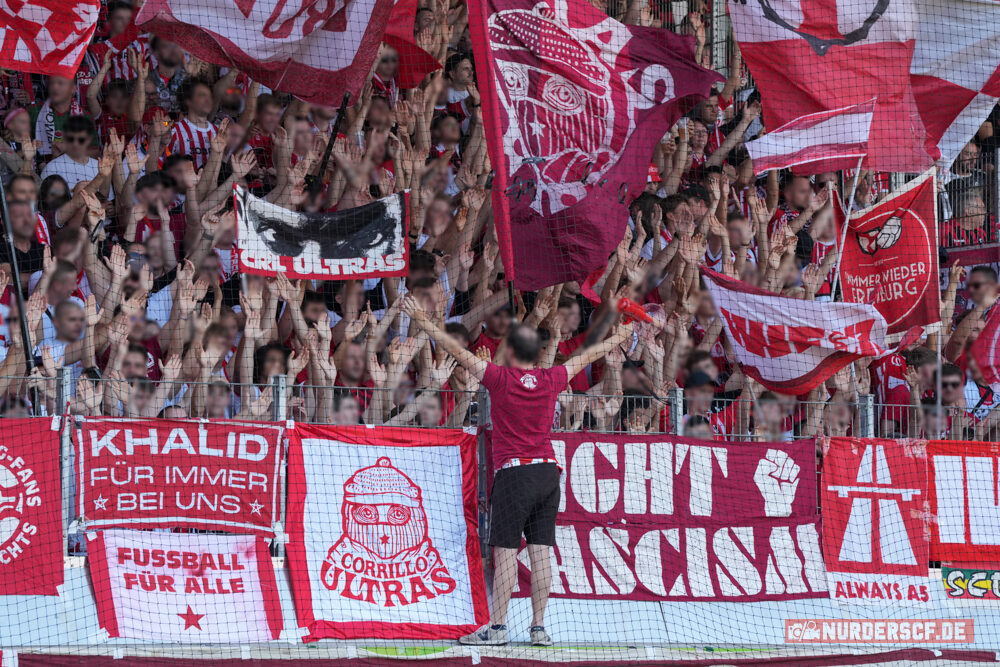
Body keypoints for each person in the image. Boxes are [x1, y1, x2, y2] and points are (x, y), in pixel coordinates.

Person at [402, 294, 630, 647]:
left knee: (505, 553)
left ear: (509, 351)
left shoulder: (499, 377)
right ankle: (539, 628)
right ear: (538, 353)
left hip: (514, 474)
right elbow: (588, 355)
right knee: (541, 553)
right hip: (547, 474)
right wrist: (621, 336)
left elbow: (455, 349)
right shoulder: (552, 377)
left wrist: (422, 318)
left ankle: (498, 628)